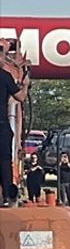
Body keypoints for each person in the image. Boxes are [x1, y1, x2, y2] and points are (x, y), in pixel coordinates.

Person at [0, 39, 31, 207]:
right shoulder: (4, 76)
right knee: (4, 160)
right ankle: (6, 196)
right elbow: (20, 97)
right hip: (2, 125)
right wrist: (25, 85)